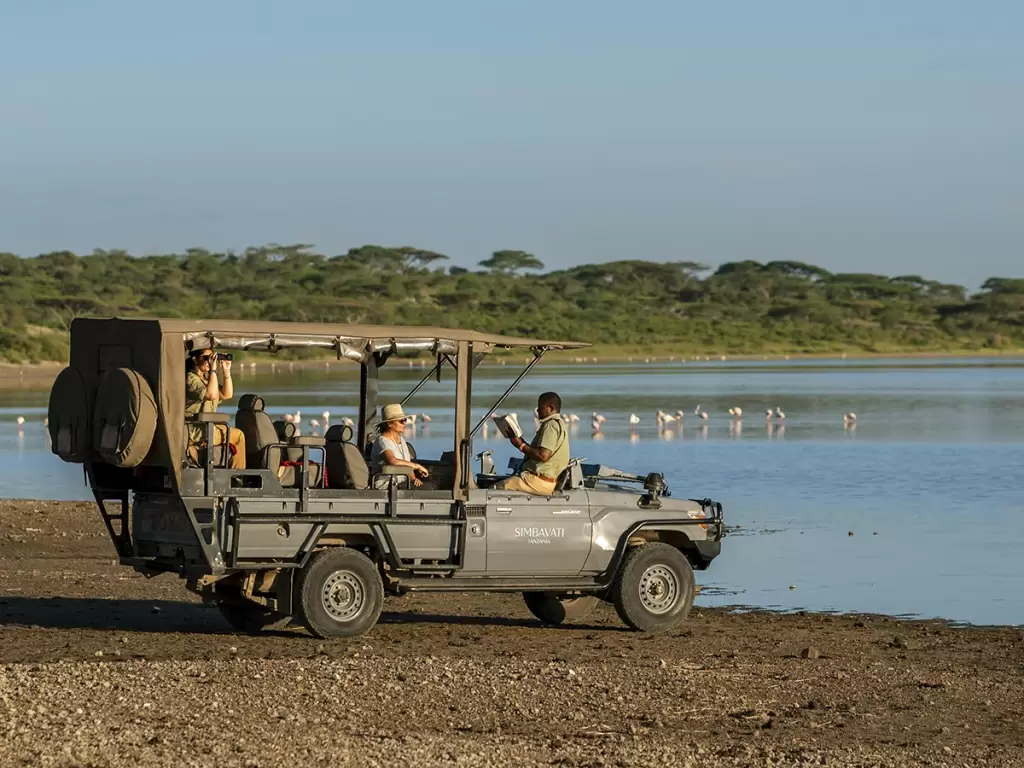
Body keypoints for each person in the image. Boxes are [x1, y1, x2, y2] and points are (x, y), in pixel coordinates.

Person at [494, 391, 569, 495]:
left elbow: (543, 455)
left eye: (540, 407)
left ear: (551, 408)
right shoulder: (558, 424)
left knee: (493, 490)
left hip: (539, 481)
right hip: (543, 480)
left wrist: (520, 445)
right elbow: (538, 452)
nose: (537, 410)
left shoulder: (550, 425)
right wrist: (519, 440)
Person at [185, 349, 246, 469]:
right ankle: (237, 474)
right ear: (195, 360)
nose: (209, 361)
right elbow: (211, 395)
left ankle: (236, 473)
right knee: (238, 436)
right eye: (205, 358)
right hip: (195, 430)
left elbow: (227, 394)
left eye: (211, 358)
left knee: (237, 433)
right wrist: (213, 370)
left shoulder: (206, 380)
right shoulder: (190, 379)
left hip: (206, 427)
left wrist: (226, 372)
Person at [370, 404, 432, 488]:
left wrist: (413, 479)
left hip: (403, 482)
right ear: (389, 424)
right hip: (388, 485)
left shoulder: (401, 440)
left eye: (405, 420)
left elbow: (406, 464)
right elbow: (393, 461)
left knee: (431, 482)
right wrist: (417, 466)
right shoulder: (382, 442)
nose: (404, 423)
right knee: (429, 487)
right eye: (401, 421)